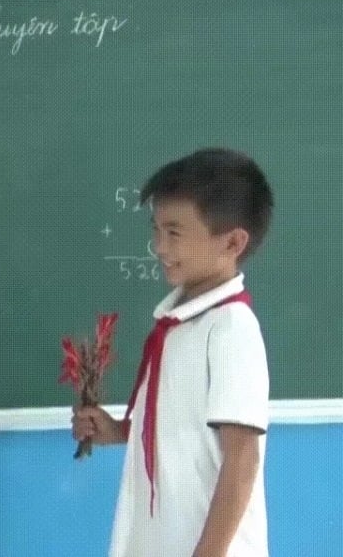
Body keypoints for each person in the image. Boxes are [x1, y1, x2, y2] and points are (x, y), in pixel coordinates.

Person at [73, 148, 275, 557]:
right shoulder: (178, 326)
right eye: (156, 230)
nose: (158, 246)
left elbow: (241, 460)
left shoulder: (231, 329)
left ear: (233, 241)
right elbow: (184, 433)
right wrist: (119, 432)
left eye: (175, 232)